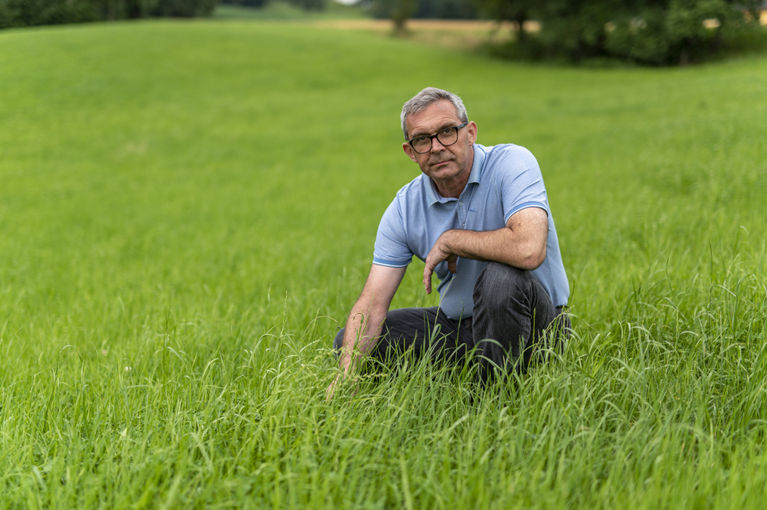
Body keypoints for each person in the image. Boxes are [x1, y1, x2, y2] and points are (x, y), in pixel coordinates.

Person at [326, 87, 570, 398]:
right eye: (423, 140)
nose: (437, 147)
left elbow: (529, 249)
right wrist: (346, 374)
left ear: (470, 133)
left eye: (447, 132)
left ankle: (495, 403)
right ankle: (429, 390)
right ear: (410, 152)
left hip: (536, 325)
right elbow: (372, 303)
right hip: (461, 329)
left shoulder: (512, 163)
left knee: (500, 279)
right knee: (350, 344)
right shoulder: (404, 208)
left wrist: (454, 240)